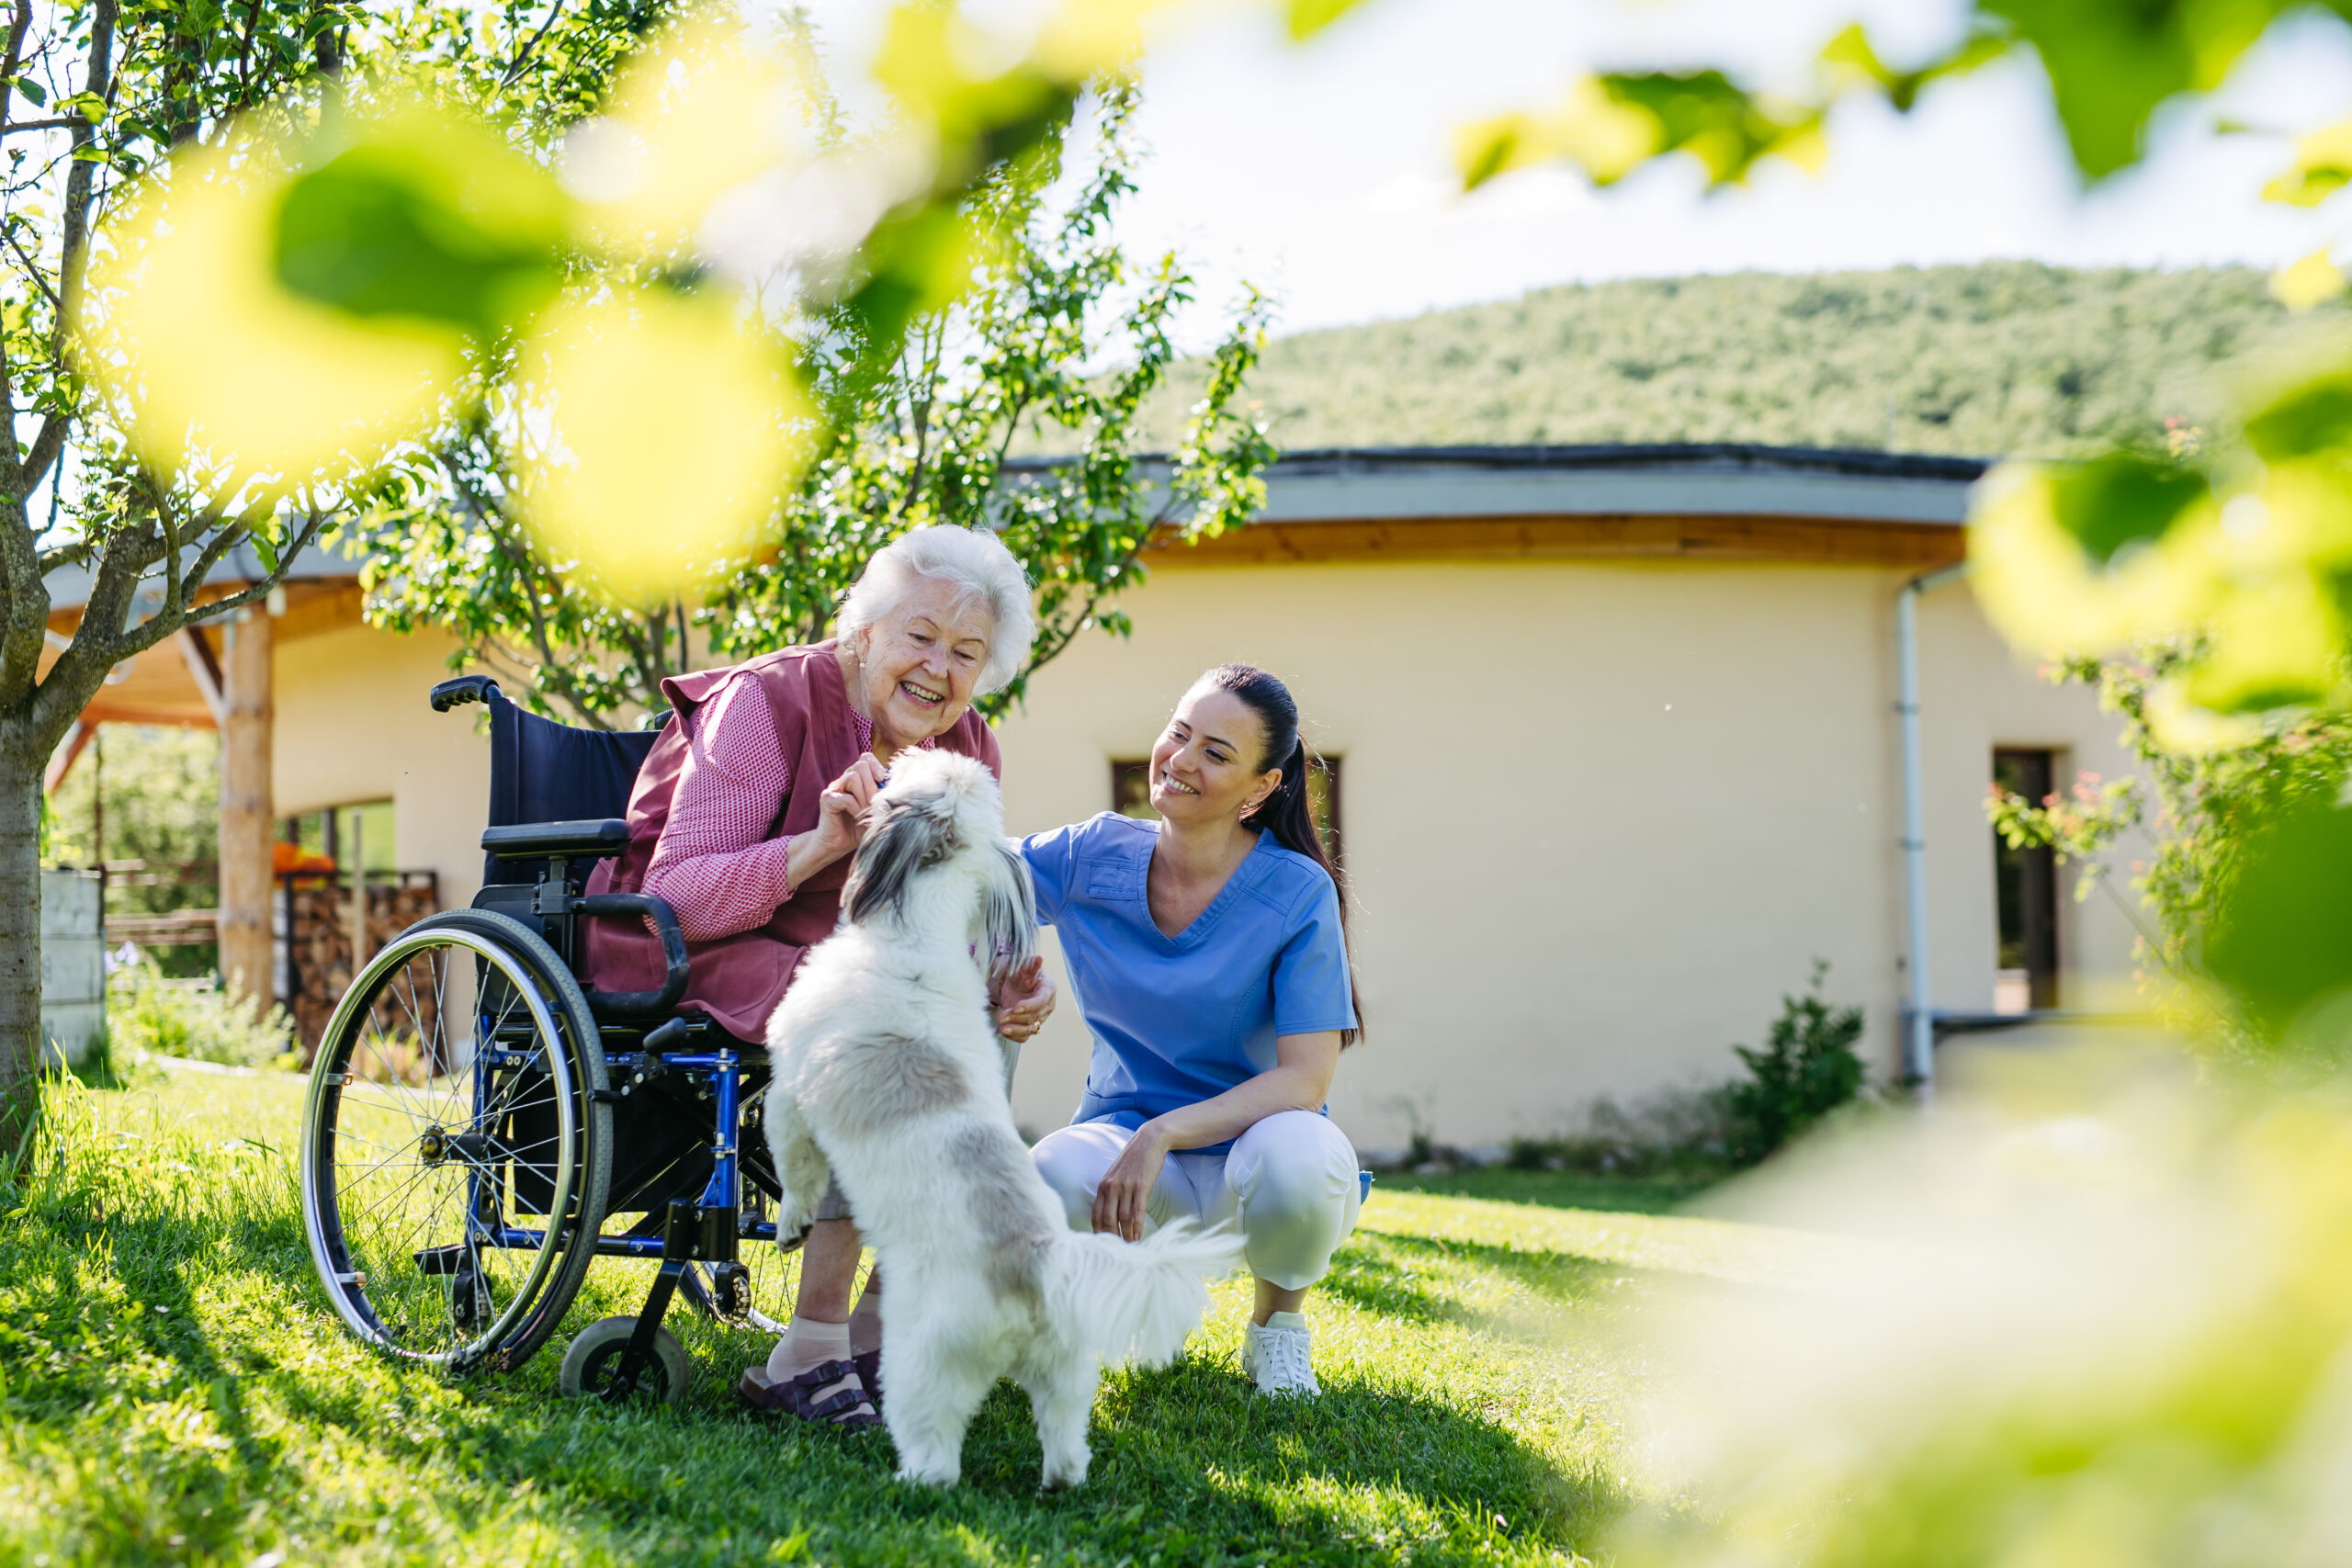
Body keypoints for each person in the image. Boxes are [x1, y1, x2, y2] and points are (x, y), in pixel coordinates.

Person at [582, 525, 1057, 1428]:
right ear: (866, 628)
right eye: (920, 635)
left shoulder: (966, 749)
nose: (938, 670)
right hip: (691, 948)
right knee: (881, 1008)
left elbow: (952, 915)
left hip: (838, 963)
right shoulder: (766, 704)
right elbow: (675, 895)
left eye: (966, 653)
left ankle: (879, 1325)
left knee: (967, 1015)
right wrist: (816, 849)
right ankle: (807, 1345)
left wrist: (1007, 975)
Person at [1022, 664, 1361, 1397]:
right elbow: (972, 877)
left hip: (1255, 1157)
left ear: (1261, 788)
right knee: (1048, 1173)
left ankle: (1276, 1331)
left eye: (1216, 752)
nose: (1180, 760)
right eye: (1178, 732)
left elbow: (1307, 1078)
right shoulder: (1090, 854)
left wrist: (1164, 1131)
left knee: (1304, 1163)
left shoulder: (1297, 891)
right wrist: (1011, 965)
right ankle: (1092, 1313)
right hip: (1130, 1156)